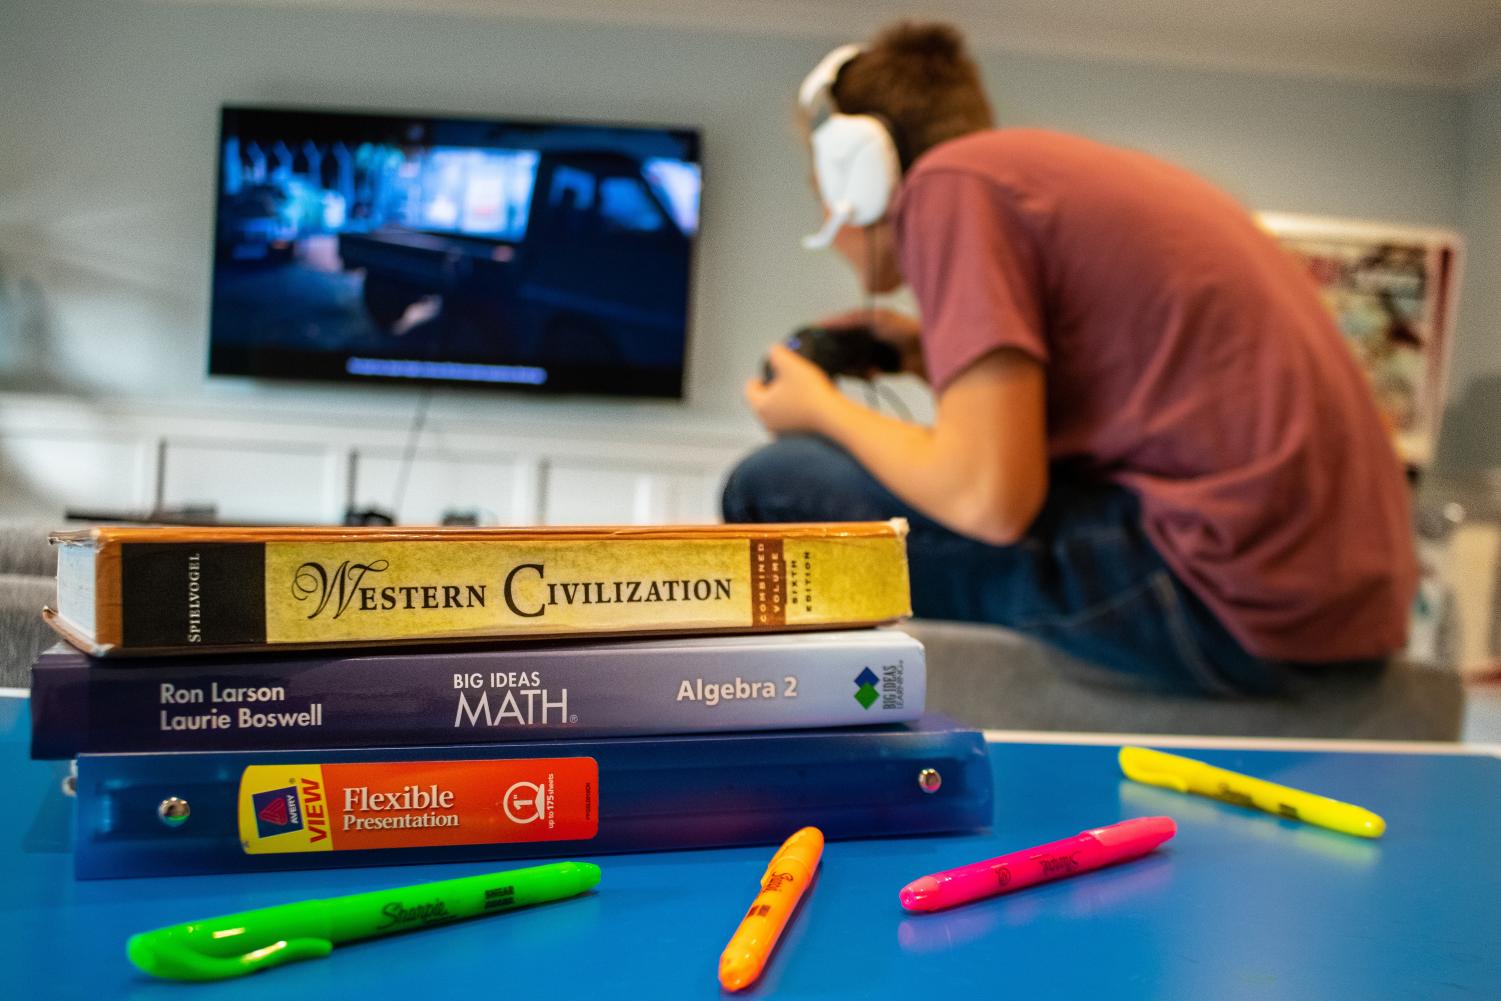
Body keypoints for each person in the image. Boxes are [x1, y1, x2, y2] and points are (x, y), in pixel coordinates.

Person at [722, 22, 1418, 696]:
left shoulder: (946, 186)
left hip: (1230, 599)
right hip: (1337, 604)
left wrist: (819, 409)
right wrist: (926, 353)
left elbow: (988, 498)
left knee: (776, 483)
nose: (829, 222)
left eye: (822, 196)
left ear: (857, 175)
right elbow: (1098, 415)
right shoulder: (1031, 177)